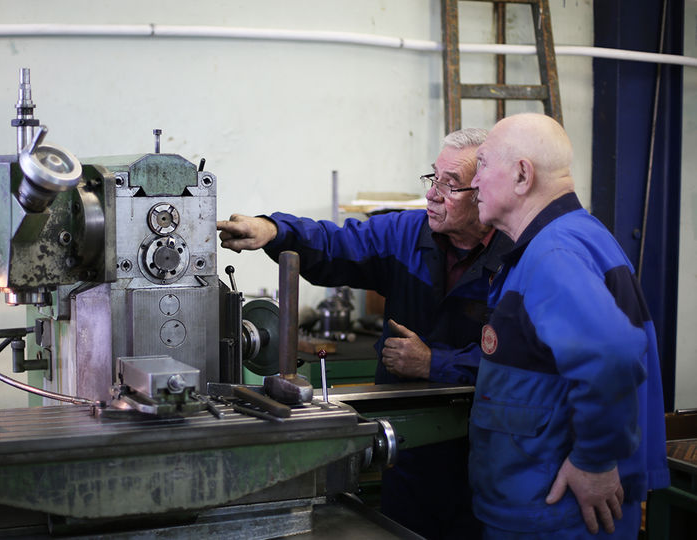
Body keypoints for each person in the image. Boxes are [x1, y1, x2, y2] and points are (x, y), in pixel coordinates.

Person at [217, 128, 512, 539]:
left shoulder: (517, 257)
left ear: (484, 191)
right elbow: (336, 243)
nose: (432, 194)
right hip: (406, 451)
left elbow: (521, 360)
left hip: (485, 453)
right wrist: (274, 230)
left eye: (450, 185)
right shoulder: (407, 234)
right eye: (433, 178)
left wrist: (434, 362)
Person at [469, 112, 670, 538]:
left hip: (554, 514)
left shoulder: (553, 253)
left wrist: (593, 461)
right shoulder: (578, 234)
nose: (474, 181)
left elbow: (612, 353)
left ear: (523, 174)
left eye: (483, 163)